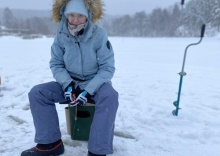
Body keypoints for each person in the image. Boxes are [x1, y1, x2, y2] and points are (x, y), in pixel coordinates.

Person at [20, 0, 119, 156]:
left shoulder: (99, 35)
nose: (74, 20)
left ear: (89, 15)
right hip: (70, 82)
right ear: (64, 15)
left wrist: (88, 91)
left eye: (80, 15)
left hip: (95, 84)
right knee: (38, 93)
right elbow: (56, 64)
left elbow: (107, 68)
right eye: (71, 15)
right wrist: (67, 85)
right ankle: (50, 144)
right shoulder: (60, 35)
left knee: (110, 96)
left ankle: (97, 151)